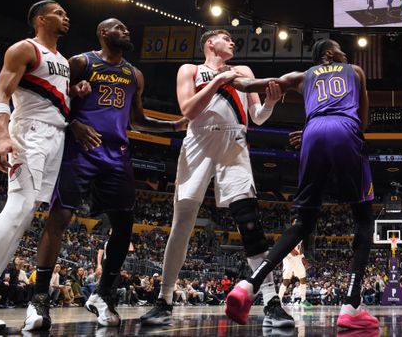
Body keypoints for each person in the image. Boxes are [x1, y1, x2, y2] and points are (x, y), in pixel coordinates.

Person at [25, 18, 186, 330]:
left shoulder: (134, 74)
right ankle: (40, 299)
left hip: (116, 153)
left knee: (125, 227)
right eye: (119, 28)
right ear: (102, 32)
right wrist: (73, 123)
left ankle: (102, 294)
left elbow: (137, 121)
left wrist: (173, 126)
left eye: (127, 28)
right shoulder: (81, 62)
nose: (126, 31)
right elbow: (57, 100)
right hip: (80, 149)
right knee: (60, 217)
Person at [140, 29, 291, 328]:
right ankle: (164, 299)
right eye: (227, 38)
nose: (233, 42)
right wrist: (219, 81)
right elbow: (188, 110)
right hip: (198, 143)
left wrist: (271, 103)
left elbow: (257, 116)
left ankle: (272, 301)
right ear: (210, 43)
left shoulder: (243, 71)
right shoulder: (191, 70)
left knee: (249, 220)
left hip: (234, 143)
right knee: (182, 222)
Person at [224, 39, 378, 330]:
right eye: (339, 49)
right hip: (345, 130)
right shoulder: (355, 70)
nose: (344, 52)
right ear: (330, 54)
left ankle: (248, 285)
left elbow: (249, 85)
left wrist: (226, 75)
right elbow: (362, 122)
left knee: (303, 221)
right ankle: (351, 304)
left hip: (313, 133)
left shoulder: (302, 76)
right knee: (364, 217)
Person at [0, 0, 78, 332]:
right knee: (18, 208)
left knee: (25, 214)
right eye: (58, 12)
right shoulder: (24, 49)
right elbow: (0, 95)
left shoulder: (63, 62)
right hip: (28, 133)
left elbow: (56, 99)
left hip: (55, 137)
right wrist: (1, 137)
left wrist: (76, 90)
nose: (65, 15)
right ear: (40, 20)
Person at [279, 240, 309, 306]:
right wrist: (295, 251)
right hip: (288, 260)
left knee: (303, 279)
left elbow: (300, 250)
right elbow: (292, 252)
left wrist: (304, 259)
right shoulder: (290, 235)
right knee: (286, 281)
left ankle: (303, 300)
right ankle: (279, 299)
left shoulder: (300, 239)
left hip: (297, 260)